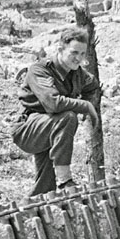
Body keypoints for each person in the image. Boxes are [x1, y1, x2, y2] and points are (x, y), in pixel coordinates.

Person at [12, 25, 99, 196]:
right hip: (28, 129)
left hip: (52, 128)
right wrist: (85, 106)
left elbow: (93, 86)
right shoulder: (40, 69)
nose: (78, 59)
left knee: (44, 189)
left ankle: (30, 213)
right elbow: (53, 103)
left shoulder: (78, 74)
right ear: (60, 49)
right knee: (68, 117)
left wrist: (89, 100)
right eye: (74, 53)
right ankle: (65, 180)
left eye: (82, 54)